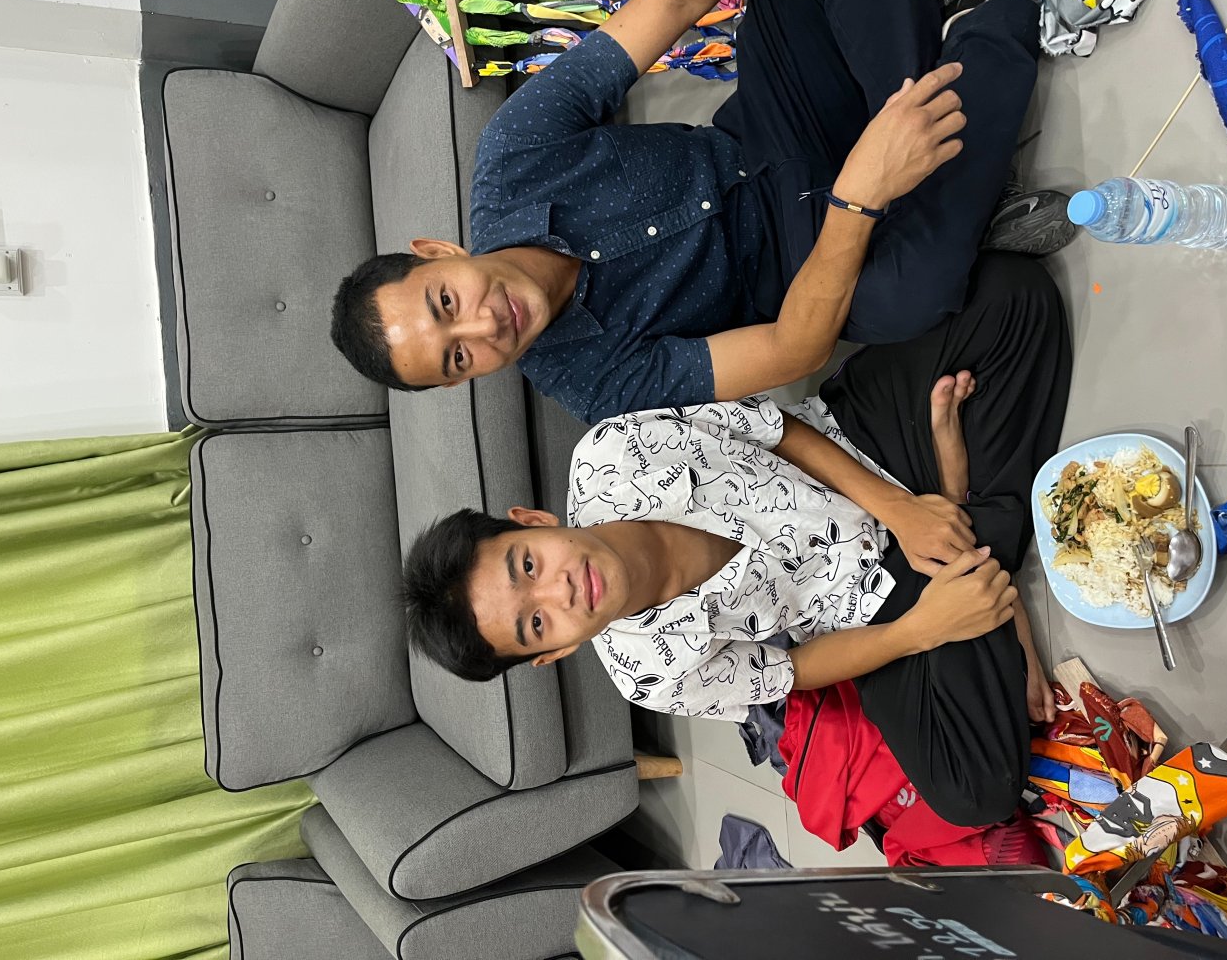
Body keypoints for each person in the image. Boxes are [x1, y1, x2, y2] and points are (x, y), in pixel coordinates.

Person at [402, 253, 1071, 826]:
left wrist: (903, 510)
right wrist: (921, 630)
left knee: (1012, 294)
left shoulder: (611, 451)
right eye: (538, 622)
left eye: (527, 565)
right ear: (556, 651)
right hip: (868, 601)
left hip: (859, 448)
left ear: (533, 522)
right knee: (974, 792)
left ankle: (970, 532)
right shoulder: (647, 674)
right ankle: (970, 527)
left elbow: (778, 431)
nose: (562, 590)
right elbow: (796, 669)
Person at [330, 0, 1074, 424]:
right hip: (810, 273)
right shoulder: (591, 382)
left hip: (767, 130)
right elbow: (794, 350)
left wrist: (875, 176)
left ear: (439, 252)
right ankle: (989, 25)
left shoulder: (513, 154)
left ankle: (950, 172)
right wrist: (858, 199)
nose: (485, 325)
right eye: (459, 358)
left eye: (446, 301)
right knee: (914, 294)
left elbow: (674, 0)